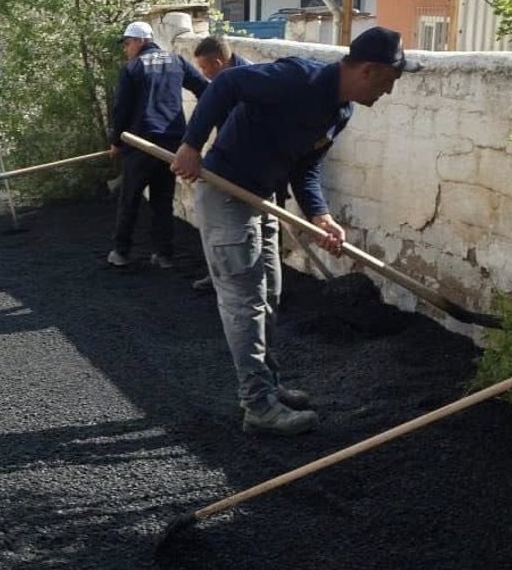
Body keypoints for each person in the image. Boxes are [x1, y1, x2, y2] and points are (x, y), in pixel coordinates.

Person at [170, 27, 420, 435]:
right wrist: (192, 145)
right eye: (390, 81)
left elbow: (307, 167)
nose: (389, 92)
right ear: (370, 71)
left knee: (269, 294)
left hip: (262, 199)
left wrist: (321, 215)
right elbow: (228, 83)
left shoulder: (340, 111)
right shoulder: (296, 79)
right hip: (227, 195)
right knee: (244, 304)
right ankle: (258, 405)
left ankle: (268, 386)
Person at [107, 20, 210, 268]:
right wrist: (194, 130)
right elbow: (206, 91)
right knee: (163, 199)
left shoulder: (132, 68)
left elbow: (121, 109)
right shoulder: (177, 61)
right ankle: (164, 255)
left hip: (140, 142)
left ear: (142, 41)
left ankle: (121, 252)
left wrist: (115, 141)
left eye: (128, 43)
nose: (126, 48)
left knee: (129, 198)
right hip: (172, 144)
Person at [189, 37, 252, 292]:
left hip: (253, 165)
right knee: (221, 223)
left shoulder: (249, 80)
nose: (203, 74)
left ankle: (244, 281)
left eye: (205, 68)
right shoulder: (221, 83)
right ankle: (219, 274)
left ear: (218, 62)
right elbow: (206, 117)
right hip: (230, 161)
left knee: (246, 226)